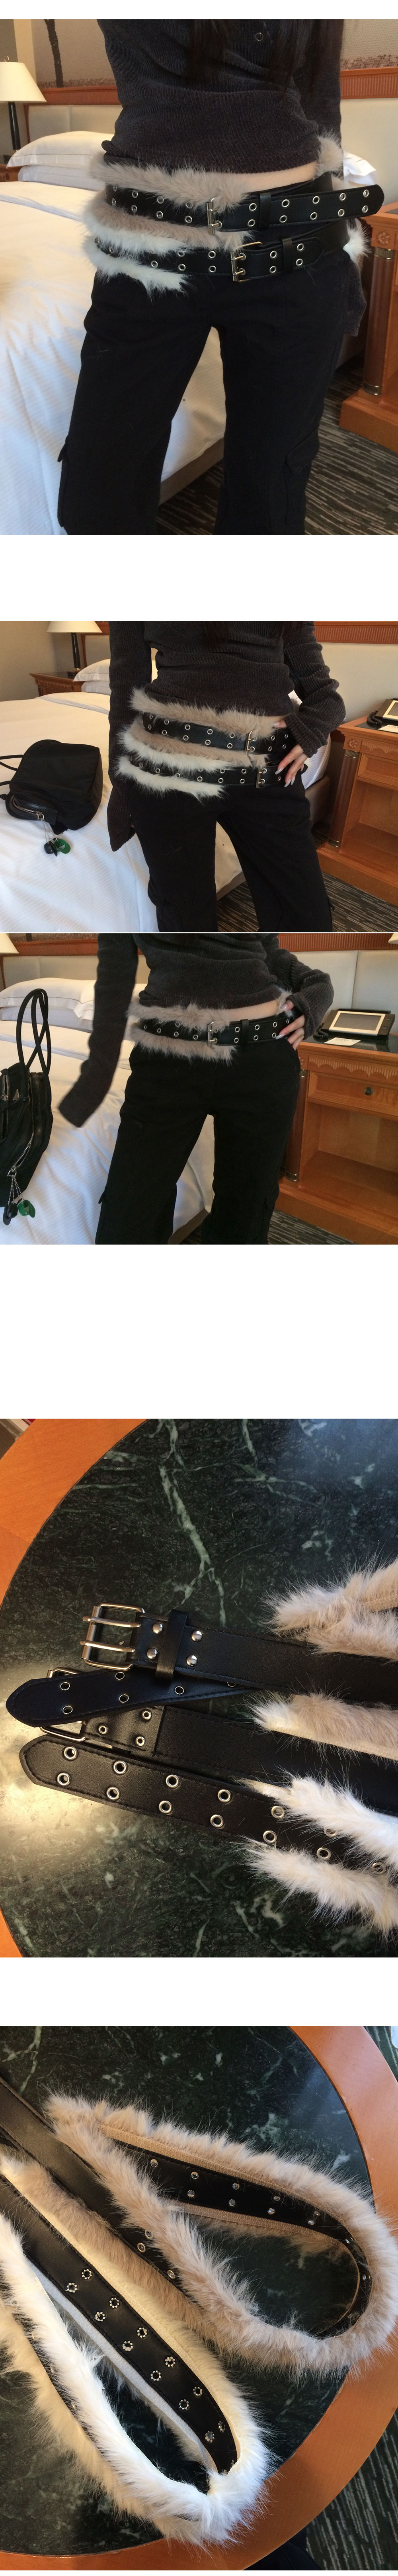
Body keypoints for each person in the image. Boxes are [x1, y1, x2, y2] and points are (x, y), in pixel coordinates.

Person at [58, 20, 370, 536]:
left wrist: (339, 251)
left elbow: (321, 104)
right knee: (98, 490)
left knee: (272, 488)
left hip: (297, 244)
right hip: (148, 248)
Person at [59, 932, 333, 1243]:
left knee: (245, 1216)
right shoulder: (126, 903)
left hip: (262, 1058)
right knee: (128, 1217)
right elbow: (115, 974)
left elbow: (268, 953)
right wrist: (94, 1082)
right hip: (167, 1059)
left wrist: (320, 989)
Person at [106, 621, 345, 929]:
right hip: (166, 772)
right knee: (184, 920)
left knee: (307, 920)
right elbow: (126, 688)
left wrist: (310, 730)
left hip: (268, 771)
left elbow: (326, 697)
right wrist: (122, 785)